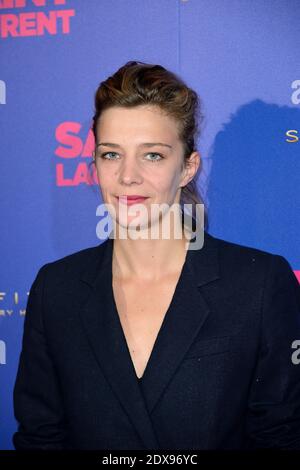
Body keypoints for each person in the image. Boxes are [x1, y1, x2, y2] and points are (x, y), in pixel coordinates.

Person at [13, 61, 300, 450]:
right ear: (94, 164)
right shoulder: (56, 288)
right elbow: (41, 437)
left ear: (187, 168)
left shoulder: (259, 283)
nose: (127, 176)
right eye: (111, 154)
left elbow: (280, 437)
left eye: (152, 156)